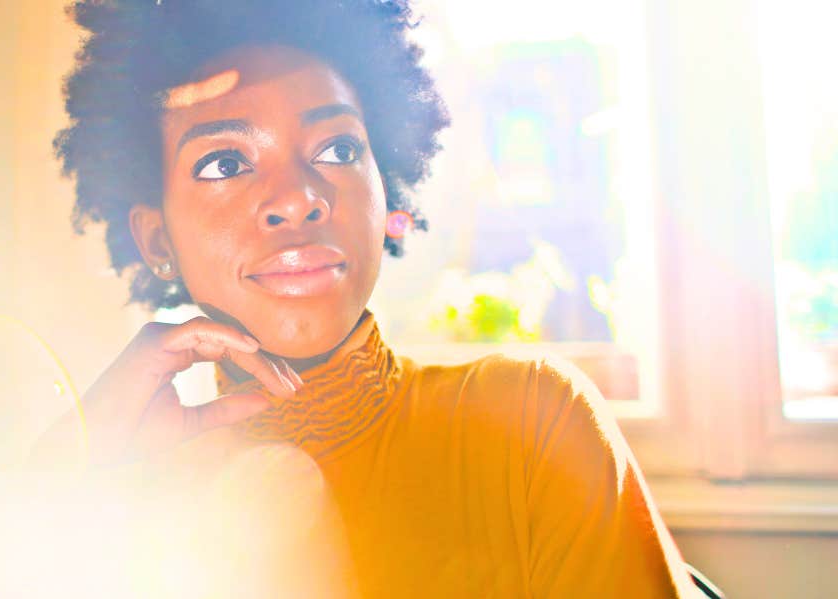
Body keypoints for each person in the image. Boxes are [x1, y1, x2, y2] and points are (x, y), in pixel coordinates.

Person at [45, 0, 701, 596]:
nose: (299, 197)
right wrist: (72, 464)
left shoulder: (533, 422)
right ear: (157, 238)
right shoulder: (120, 498)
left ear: (385, 189)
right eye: (225, 163)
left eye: (335, 149)